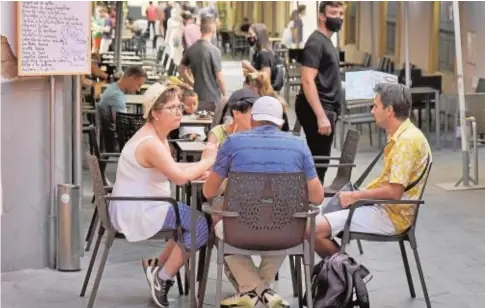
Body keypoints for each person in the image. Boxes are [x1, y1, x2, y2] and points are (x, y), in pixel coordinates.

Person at [203, 96, 324, 308]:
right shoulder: (299, 145)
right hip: (287, 233)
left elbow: (208, 191)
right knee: (288, 217)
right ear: (281, 123)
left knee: (216, 217)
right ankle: (263, 290)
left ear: (252, 120)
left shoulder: (232, 143)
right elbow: (317, 197)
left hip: (239, 230)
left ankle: (252, 290)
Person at [109, 83, 217, 308]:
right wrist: (207, 161)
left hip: (143, 204)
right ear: (155, 113)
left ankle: (156, 265)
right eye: (172, 108)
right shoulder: (151, 144)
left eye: (179, 106)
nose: (179, 111)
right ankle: (162, 278)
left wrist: (199, 168)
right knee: (201, 226)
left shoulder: (156, 137)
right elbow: (177, 177)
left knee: (194, 221)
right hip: (140, 209)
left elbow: (172, 168)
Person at [309, 83, 432, 258]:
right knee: (311, 218)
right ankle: (343, 275)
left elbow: (394, 192)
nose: (372, 111)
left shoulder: (406, 142)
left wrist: (355, 196)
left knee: (311, 229)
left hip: (391, 216)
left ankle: (350, 277)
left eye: (375, 106)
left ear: (389, 110)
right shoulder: (405, 135)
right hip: (385, 209)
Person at [295, 1, 344, 182]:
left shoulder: (326, 41)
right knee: (318, 164)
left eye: (340, 13)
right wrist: (321, 116)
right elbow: (307, 80)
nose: (338, 17)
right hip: (319, 109)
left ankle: (312, 202)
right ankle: (312, 205)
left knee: (320, 163)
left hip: (326, 107)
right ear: (322, 16)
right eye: (333, 13)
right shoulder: (316, 43)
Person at [178, 16, 226, 112]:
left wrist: (192, 82)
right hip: (213, 98)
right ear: (213, 29)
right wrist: (225, 95)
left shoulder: (191, 49)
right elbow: (219, 78)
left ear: (201, 29)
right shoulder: (214, 51)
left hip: (197, 95)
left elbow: (181, 69)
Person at [98, 66, 146, 153]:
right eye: (138, 85)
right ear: (131, 78)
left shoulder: (112, 88)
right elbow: (123, 129)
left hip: (108, 142)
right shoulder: (117, 98)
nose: (138, 89)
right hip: (115, 147)